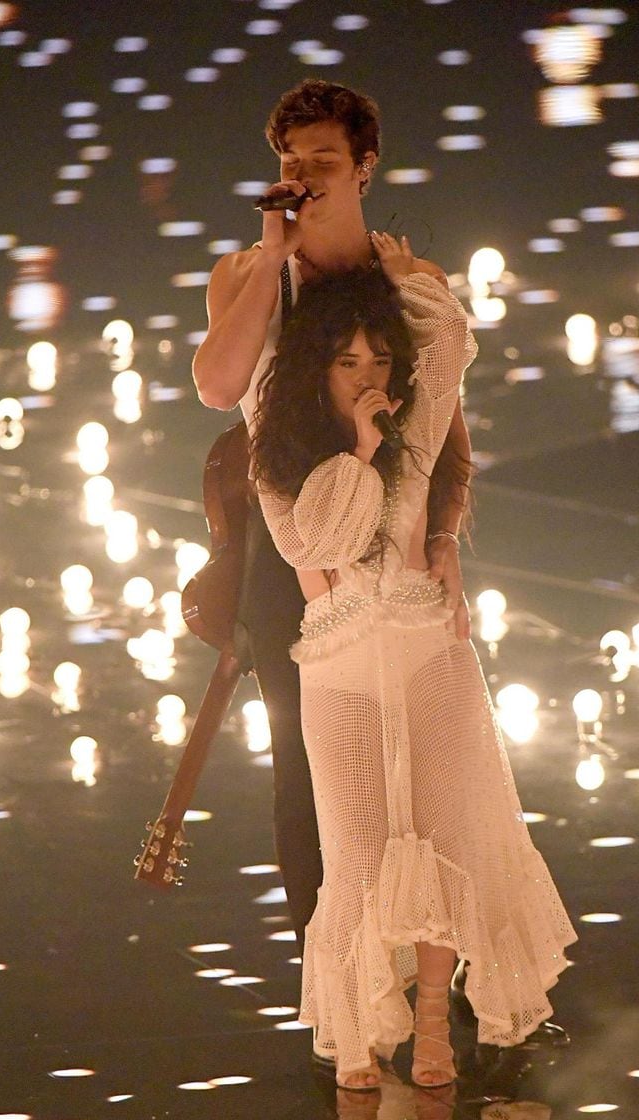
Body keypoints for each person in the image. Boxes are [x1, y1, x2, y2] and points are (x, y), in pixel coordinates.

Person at [250, 242, 577, 1091]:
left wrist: (398, 269)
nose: (366, 374)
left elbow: (448, 332)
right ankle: (359, 1027)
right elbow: (311, 542)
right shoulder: (280, 447)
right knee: (357, 846)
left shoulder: (418, 428)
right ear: (317, 365)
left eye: (378, 358)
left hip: (431, 648)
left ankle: (435, 1024)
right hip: (337, 661)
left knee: (446, 837)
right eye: (347, 359)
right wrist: (358, 449)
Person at [192, 80, 473, 960]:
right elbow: (218, 388)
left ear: (364, 168)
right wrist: (274, 262)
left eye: (322, 160)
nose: (304, 176)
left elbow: (451, 431)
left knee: (429, 767)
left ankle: (440, 975)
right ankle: (339, 986)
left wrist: (444, 539)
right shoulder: (246, 273)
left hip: (397, 539)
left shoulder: (410, 280)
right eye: (289, 162)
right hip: (292, 547)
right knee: (308, 770)